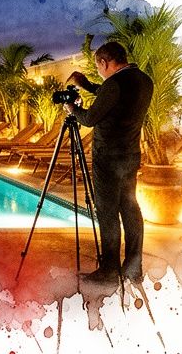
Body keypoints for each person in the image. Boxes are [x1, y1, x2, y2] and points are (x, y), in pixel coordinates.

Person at [63, 41, 153, 284]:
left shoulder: (113, 85)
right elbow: (114, 98)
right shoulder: (144, 81)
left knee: (108, 212)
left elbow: (91, 118)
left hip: (108, 158)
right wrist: (88, 85)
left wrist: (72, 109)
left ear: (104, 62)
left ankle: (109, 270)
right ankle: (133, 267)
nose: (100, 72)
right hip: (130, 155)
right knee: (130, 209)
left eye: (99, 67)